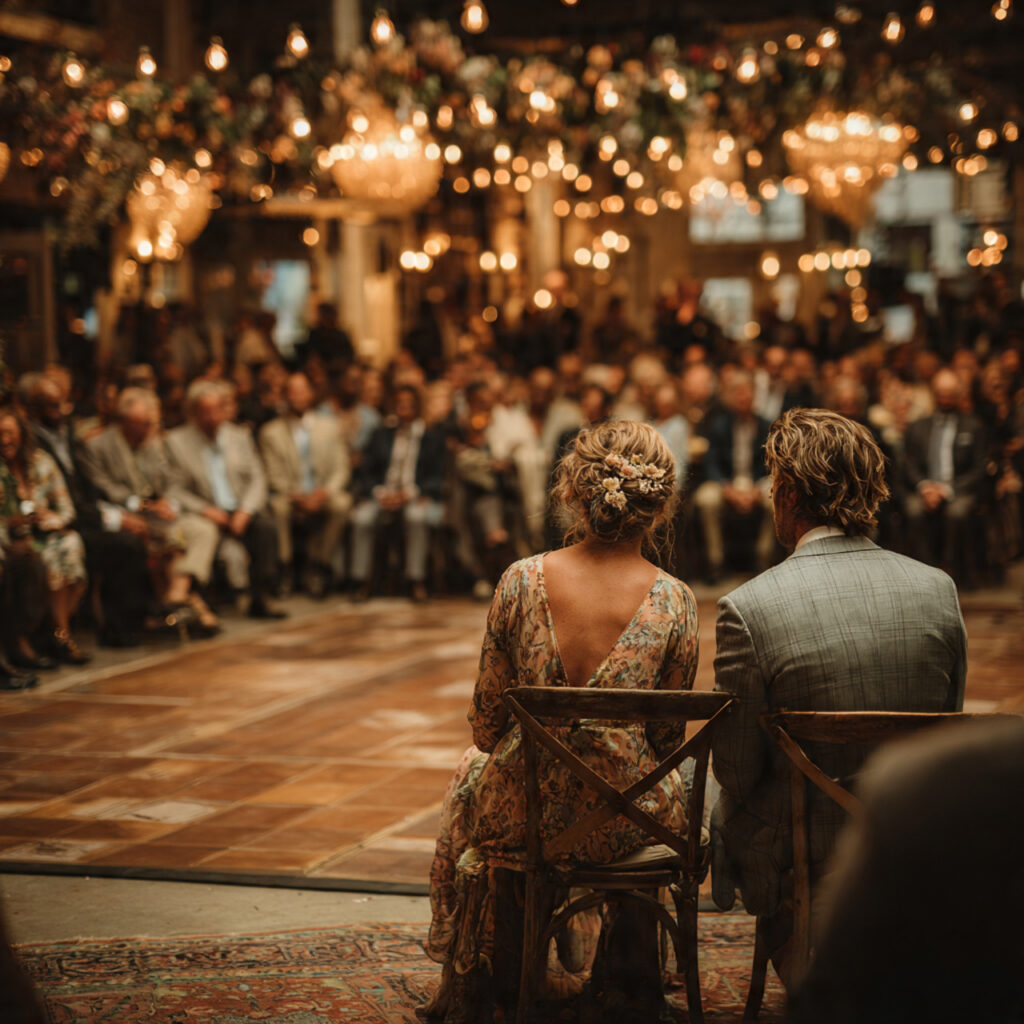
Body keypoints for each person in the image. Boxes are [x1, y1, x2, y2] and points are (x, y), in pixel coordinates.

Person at [423, 420, 699, 1023]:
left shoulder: (521, 581)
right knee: (641, 782)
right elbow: (665, 742)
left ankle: (504, 971)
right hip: (631, 820)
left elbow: (487, 726)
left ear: (572, 491)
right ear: (660, 505)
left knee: (476, 772)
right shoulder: (676, 599)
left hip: (526, 817)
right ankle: (629, 980)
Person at [710, 408, 967, 991]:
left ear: (792, 495)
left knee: (709, 793)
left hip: (804, 845)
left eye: (775, 486)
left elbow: (738, 770)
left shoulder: (750, 608)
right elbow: (947, 733)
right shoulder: (937, 590)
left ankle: (805, 949)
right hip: (908, 827)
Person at [785, 715, 1024, 1024]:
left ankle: (774, 927)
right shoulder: (940, 776)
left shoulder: (921, 782)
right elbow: (947, 723)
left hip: (812, 821)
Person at [21, 373, 152, 647]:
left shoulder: (68, 433)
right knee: (123, 545)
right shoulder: (31, 441)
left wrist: (118, 513)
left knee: (133, 539)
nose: (60, 411)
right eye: (51, 406)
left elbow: (89, 483)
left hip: (86, 513)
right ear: (34, 410)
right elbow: (58, 498)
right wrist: (114, 518)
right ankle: (106, 629)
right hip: (64, 521)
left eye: (63, 404)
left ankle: (127, 626)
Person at [81, 387, 222, 634]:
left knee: (202, 529)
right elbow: (101, 487)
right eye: (140, 424)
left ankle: (174, 597)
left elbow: (171, 481)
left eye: (149, 423)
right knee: (168, 548)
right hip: (123, 516)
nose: (146, 429)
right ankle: (190, 605)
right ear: (125, 420)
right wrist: (139, 505)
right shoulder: (97, 446)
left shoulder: (154, 442)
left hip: (159, 516)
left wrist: (168, 502)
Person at [164, 381, 285, 619]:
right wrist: (206, 510)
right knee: (203, 533)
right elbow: (174, 489)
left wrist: (246, 510)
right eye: (205, 411)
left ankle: (262, 598)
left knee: (266, 529)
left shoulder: (238, 435)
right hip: (204, 511)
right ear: (194, 412)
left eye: (216, 410)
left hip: (239, 508)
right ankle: (206, 602)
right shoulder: (176, 441)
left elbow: (257, 477)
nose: (211, 417)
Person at [0, 408, 90, 665]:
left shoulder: (41, 462)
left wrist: (48, 518)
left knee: (69, 543)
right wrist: (13, 522)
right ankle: (51, 636)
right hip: (10, 539)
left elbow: (66, 510)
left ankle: (59, 632)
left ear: (21, 435)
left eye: (9, 432)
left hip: (43, 534)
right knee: (38, 560)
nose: (4, 439)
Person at [350, 385, 447, 602]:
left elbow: (438, 475)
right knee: (361, 519)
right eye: (399, 403)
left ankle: (416, 580)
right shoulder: (381, 434)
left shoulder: (430, 436)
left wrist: (412, 493)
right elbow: (367, 471)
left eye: (409, 404)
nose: (404, 408)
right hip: (383, 495)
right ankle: (361, 581)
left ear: (417, 406)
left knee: (416, 517)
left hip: (415, 495)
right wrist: (379, 493)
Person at [259, 372, 351, 597]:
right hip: (290, 494)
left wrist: (325, 492)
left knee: (343, 503)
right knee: (277, 508)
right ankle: (284, 567)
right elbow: (272, 474)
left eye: (302, 390)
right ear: (285, 396)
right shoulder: (271, 431)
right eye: (292, 391)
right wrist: (296, 496)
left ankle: (320, 563)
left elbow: (341, 468)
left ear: (310, 393)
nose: (297, 396)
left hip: (321, 492)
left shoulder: (329, 426)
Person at [902, 367, 988, 585]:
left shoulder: (974, 426)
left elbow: (980, 469)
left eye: (950, 394)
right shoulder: (918, 426)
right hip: (925, 487)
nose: (945, 399)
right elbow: (908, 464)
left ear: (959, 395)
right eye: (941, 393)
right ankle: (925, 570)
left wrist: (947, 490)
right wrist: (925, 486)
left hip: (958, 488)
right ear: (934, 394)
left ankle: (949, 569)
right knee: (913, 510)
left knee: (956, 512)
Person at [692, 371, 773, 580]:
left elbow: (771, 464)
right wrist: (727, 489)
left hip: (757, 482)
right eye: (738, 394)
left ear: (754, 396)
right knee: (706, 500)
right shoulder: (719, 425)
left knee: (775, 498)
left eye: (747, 393)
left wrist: (755, 491)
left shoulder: (766, 425)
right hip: (727, 482)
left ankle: (764, 558)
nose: (743, 398)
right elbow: (711, 462)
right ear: (732, 397)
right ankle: (715, 562)